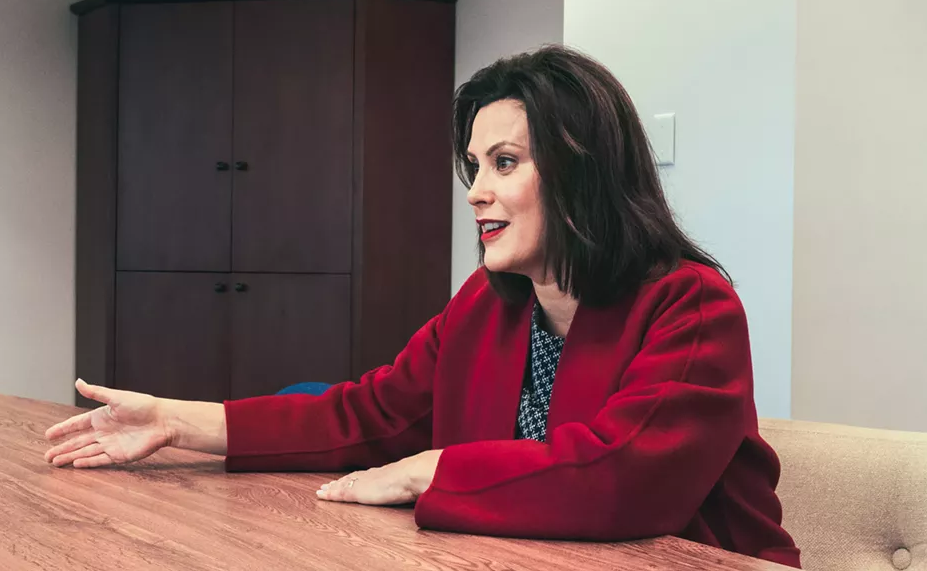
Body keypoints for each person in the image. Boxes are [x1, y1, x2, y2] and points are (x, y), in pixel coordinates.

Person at [44, 45, 801, 568]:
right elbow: (364, 415)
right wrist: (178, 422)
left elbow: (620, 480)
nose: (476, 190)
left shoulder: (693, 306)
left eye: (505, 163)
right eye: (474, 165)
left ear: (582, 171)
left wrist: (429, 471)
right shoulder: (485, 303)